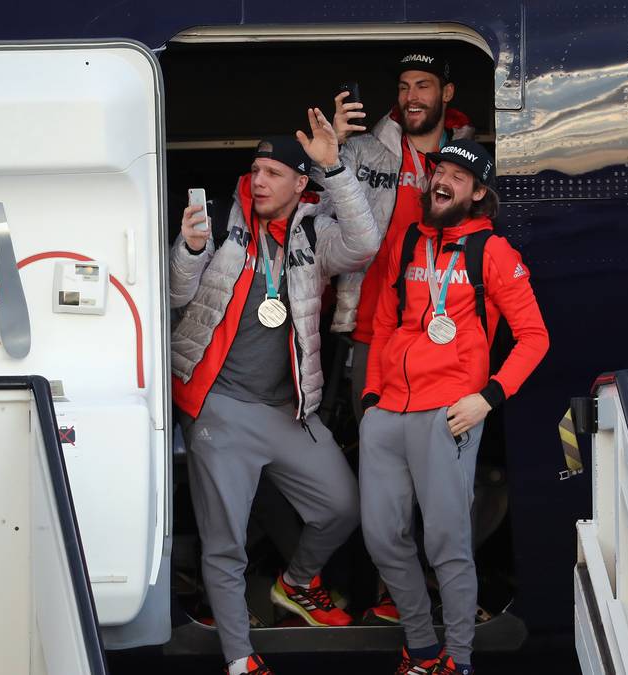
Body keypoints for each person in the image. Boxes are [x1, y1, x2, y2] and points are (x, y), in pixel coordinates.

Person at [169, 108, 378, 675]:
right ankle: (240, 659)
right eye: (255, 170)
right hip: (219, 406)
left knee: (344, 506)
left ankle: (295, 583)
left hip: (289, 410)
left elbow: (365, 243)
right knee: (225, 544)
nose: (258, 181)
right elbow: (175, 295)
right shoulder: (223, 219)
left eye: (272, 173)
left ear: (300, 183)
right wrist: (189, 251)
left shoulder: (312, 232)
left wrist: (335, 168)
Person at [359, 140, 550, 675]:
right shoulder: (407, 241)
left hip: (448, 415)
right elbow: (384, 325)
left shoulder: (493, 252)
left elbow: (535, 337)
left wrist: (488, 397)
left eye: (456, 177)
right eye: (438, 171)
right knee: (382, 538)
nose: (441, 181)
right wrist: (372, 399)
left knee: (446, 544)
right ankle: (421, 648)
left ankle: (458, 660)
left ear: (478, 193)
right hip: (387, 415)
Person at [328, 49, 477, 626]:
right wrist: (331, 152)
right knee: (383, 477)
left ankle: (448, 599)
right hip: (373, 331)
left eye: (424, 85)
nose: (412, 96)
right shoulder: (365, 149)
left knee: (442, 481)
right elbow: (319, 206)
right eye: (404, 86)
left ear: (446, 92)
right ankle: (392, 595)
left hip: (446, 343)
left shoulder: (465, 156)